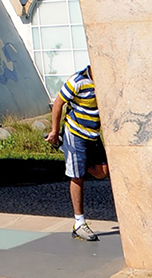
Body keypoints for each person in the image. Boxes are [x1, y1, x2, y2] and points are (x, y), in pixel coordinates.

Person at [45, 64, 108, 242]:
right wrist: (55, 131)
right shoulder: (77, 81)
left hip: (93, 134)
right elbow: (58, 103)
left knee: (103, 172)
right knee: (77, 176)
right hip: (76, 132)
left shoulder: (105, 81)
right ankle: (79, 223)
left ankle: (74, 159)